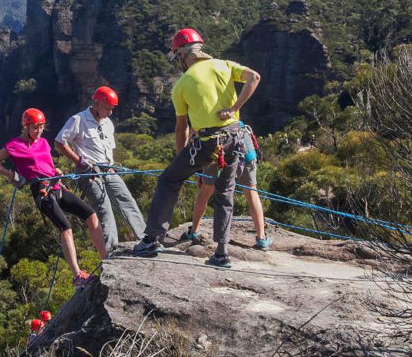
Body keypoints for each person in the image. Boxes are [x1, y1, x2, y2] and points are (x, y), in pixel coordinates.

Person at [134, 28, 260, 268]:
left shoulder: (181, 85)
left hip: (206, 143)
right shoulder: (224, 65)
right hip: (234, 138)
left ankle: (152, 239)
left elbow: (181, 128)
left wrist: (181, 157)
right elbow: (254, 77)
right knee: (225, 193)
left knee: (169, 180)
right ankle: (221, 254)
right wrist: (234, 109)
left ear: (181, 55)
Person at [0, 108, 107, 288]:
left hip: (56, 185)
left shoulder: (43, 143)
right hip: (41, 192)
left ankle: (106, 258)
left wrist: (56, 171)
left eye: (41, 127)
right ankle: (77, 275)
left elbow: (48, 163)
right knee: (65, 227)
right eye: (35, 127)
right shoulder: (14, 145)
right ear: (25, 126)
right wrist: (11, 175)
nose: (39, 131)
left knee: (91, 214)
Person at [55, 86, 146, 253]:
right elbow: (60, 141)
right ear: (96, 103)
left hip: (108, 169)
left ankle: (145, 238)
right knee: (103, 208)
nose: (110, 112)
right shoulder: (78, 120)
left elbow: (108, 150)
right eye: (107, 108)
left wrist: (111, 167)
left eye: (112, 109)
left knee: (127, 200)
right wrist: (79, 161)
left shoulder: (108, 124)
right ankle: (111, 249)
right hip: (89, 173)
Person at [184, 121, 273, 250]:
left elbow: (194, 130)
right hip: (242, 143)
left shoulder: (201, 111)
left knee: (206, 190)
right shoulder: (229, 105)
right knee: (251, 192)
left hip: (216, 145)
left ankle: (194, 231)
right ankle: (261, 238)